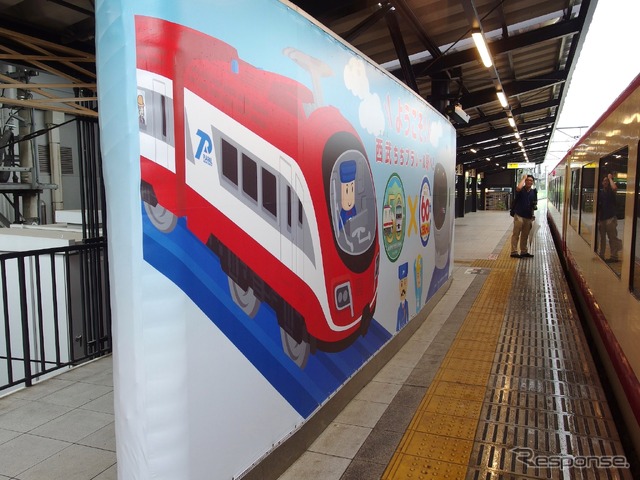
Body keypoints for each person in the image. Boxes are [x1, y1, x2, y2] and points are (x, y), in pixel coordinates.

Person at [510, 174, 537, 258]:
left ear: (533, 182)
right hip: (519, 215)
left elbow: (534, 204)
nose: (529, 182)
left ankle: (524, 251)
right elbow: (518, 188)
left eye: (531, 181)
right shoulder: (521, 190)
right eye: (527, 180)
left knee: (525, 235)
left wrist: (532, 215)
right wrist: (524, 178)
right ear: (525, 182)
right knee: (516, 234)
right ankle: (514, 252)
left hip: (528, 216)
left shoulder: (534, 192)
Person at [598, 173, 622, 263]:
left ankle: (614, 256)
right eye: (604, 181)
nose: (605, 182)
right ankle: (601, 255)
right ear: (601, 183)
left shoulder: (611, 192)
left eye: (607, 181)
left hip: (610, 218)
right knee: (602, 238)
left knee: (612, 238)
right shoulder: (600, 192)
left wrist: (610, 178)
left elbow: (615, 188)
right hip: (602, 219)